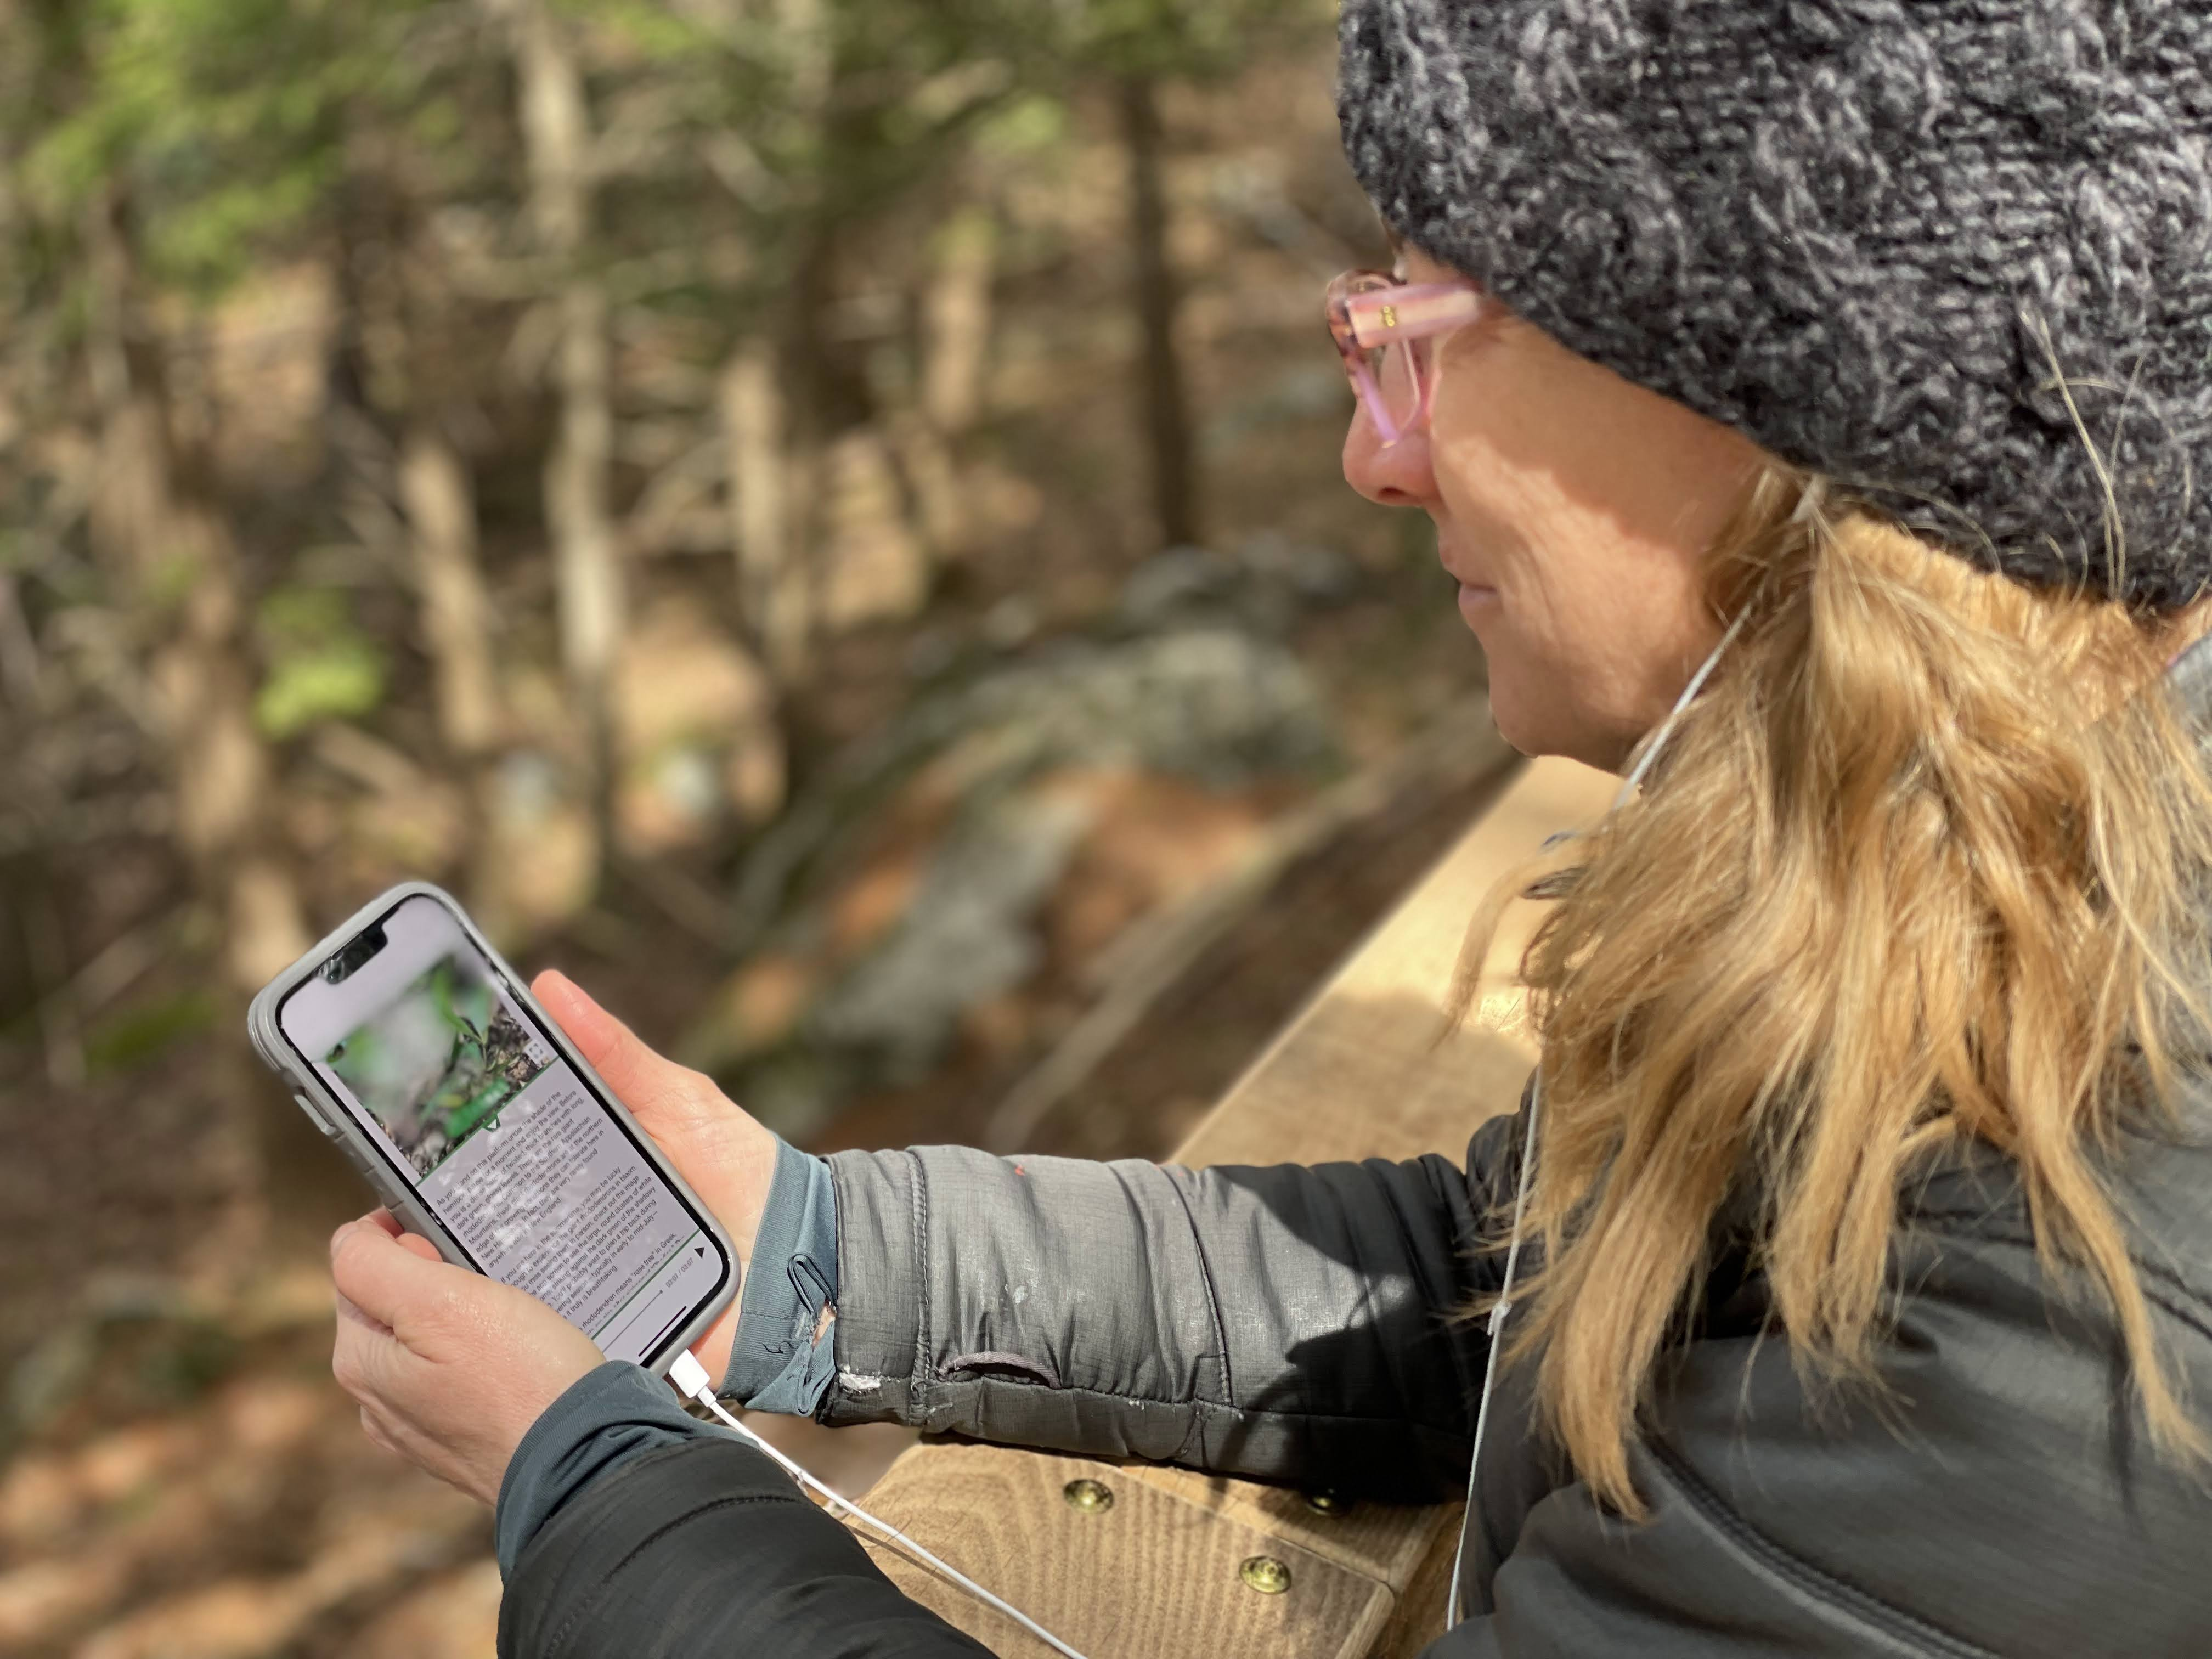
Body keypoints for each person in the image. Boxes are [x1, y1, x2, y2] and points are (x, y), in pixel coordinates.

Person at [324, 3, 2212, 1654]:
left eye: (1413, 332)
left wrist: (589, 1496)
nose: (1372, 456)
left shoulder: (2077, 1286)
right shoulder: (1952, 874)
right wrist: (811, 1256)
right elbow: (1504, 1284)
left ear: (1773, 382)